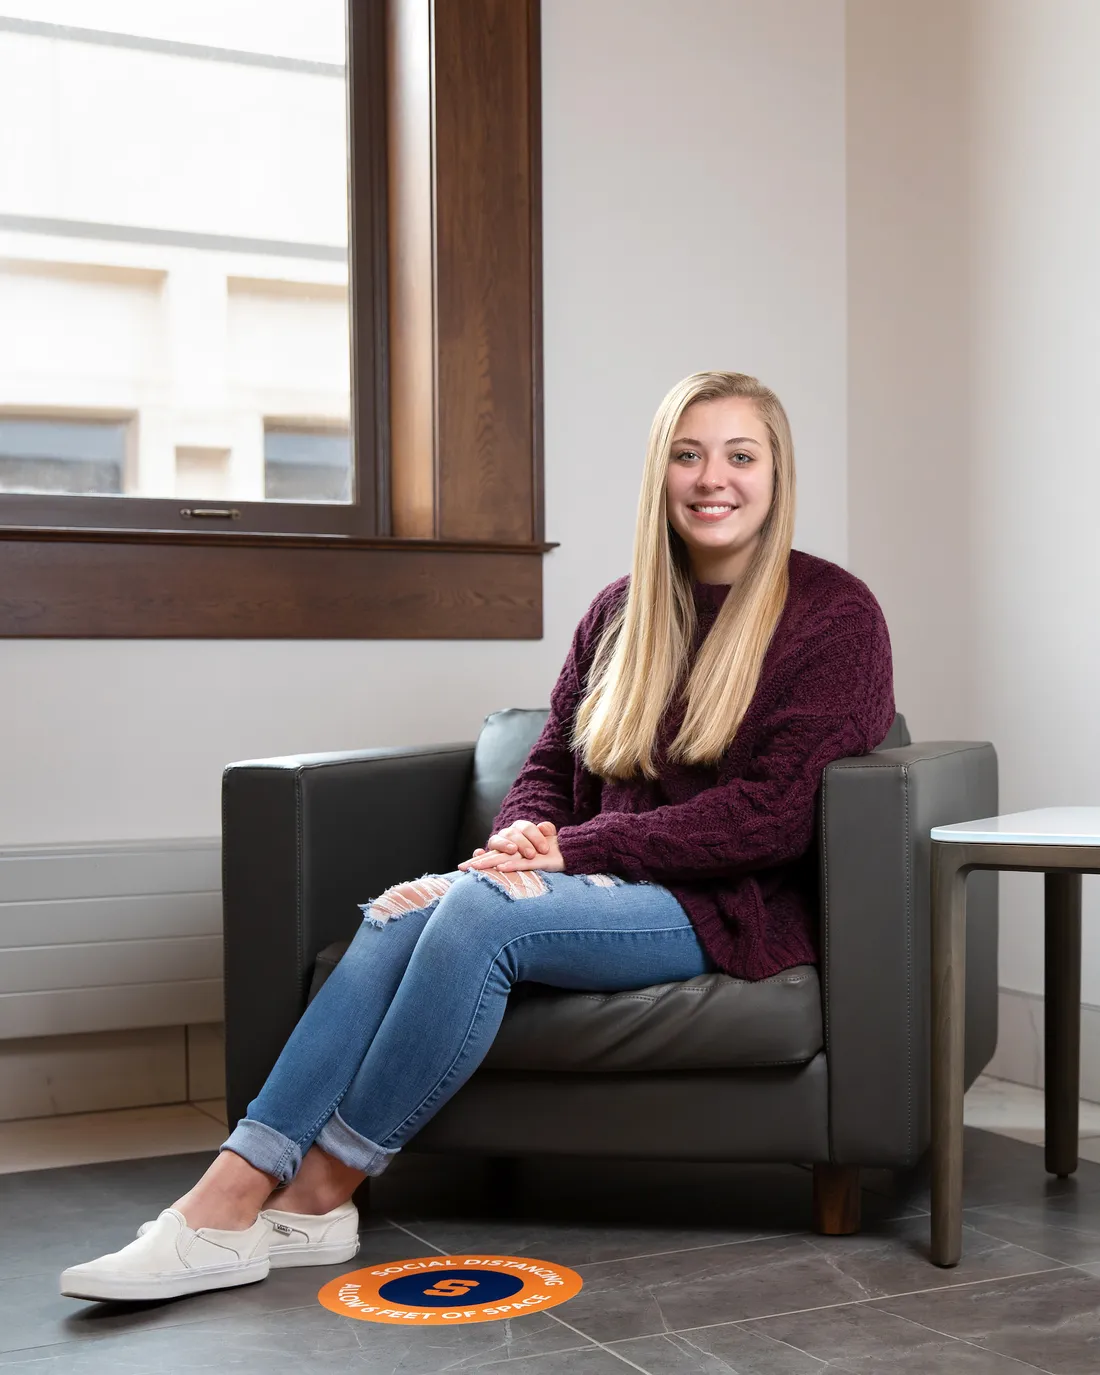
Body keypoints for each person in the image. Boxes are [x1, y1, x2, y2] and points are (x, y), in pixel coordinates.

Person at [61, 370, 895, 1302]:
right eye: (687, 454)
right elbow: (545, 763)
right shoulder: (622, 611)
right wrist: (512, 846)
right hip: (591, 882)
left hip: (723, 905)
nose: (714, 479)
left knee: (475, 917)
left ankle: (320, 1185)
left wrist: (571, 854)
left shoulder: (834, 615)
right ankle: (229, 1194)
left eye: (741, 456)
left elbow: (772, 813)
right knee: (393, 914)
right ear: (659, 474)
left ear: (777, 475)